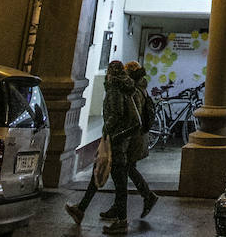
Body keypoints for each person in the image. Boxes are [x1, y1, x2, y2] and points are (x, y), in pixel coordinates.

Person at [66, 59, 141, 234]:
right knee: (99, 173)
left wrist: (107, 133)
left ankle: (121, 220)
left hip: (115, 141)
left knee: (118, 181)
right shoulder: (126, 87)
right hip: (120, 140)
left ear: (110, 72)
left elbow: (115, 114)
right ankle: (81, 209)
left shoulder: (115, 88)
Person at [123, 61, 158, 217]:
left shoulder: (135, 90)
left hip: (134, 136)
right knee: (127, 168)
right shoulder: (142, 88)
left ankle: (147, 196)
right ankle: (120, 206)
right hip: (139, 135)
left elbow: (133, 117)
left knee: (126, 168)